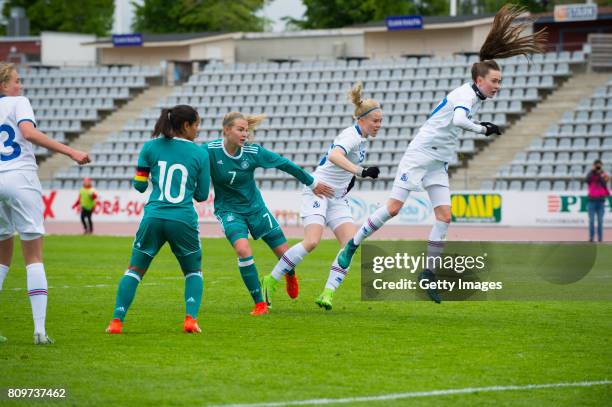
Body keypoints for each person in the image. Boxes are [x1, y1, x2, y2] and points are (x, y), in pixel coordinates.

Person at [330, 5, 547, 304]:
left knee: (445, 216)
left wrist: (480, 126)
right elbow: (459, 121)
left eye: (500, 81)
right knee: (393, 208)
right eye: (495, 81)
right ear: (480, 79)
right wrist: (483, 130)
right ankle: (352, 244)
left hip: (437, 163)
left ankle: (428, 274)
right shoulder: (466, 95)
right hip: (420, 155)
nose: (498, 86)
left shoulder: (476, 95)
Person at [260, 82, 382, 310]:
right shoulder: (351, 136)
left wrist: (350, 181)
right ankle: (271, 280)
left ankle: (327, 293)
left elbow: (342, 166)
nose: (378, 125)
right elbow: (335, 156)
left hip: (336, 198)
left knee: (350, 246)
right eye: (375, 121)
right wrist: (361, 172)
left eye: (380, 121)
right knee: (312, 241)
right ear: (362, 119)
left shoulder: (361, 140)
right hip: (319, 191)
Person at [205, 112, 334, 315]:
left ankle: (290, 273)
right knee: (242, 250)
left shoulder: (252, 151)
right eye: (240, 129)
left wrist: (312, 183)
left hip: (256, 209)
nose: (245, 134)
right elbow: (189, 163)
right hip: (229, 211)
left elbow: (284, 164)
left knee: (285, 255)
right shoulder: (209, 151)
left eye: (246, 130)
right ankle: (259, 303)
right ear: (226, 130)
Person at [0, 62, 90, 344]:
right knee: (33, 257)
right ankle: (39, 330)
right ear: (4, 85)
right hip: (20, 177)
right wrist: (70, 151)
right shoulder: (18, 102)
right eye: (16, 80)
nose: (20, 85)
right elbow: (28, 133)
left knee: (2, 258)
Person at [106, 105, 210, 334]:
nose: (198, 130)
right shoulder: (201, 154)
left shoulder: (150, 147)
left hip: (153, 217)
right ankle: (190, 320)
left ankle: (116, 320)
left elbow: (140, 185)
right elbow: (202, 196)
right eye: (197, 125)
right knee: (193, 271)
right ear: (186, 125)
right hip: (182, 219)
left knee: (134, 270)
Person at [586, 159, 609, 242]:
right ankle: (591, 238)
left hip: (600, 201)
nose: (598, 167)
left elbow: (605, 182)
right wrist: (593, 171)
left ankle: (600, 239)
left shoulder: (603, 174)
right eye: (597, 165)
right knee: (591, 221)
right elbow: (587, 180)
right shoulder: (590, 174)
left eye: (599, 165)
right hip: (591, 201)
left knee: (600, 221)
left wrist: (601, 174)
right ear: (594, 165)